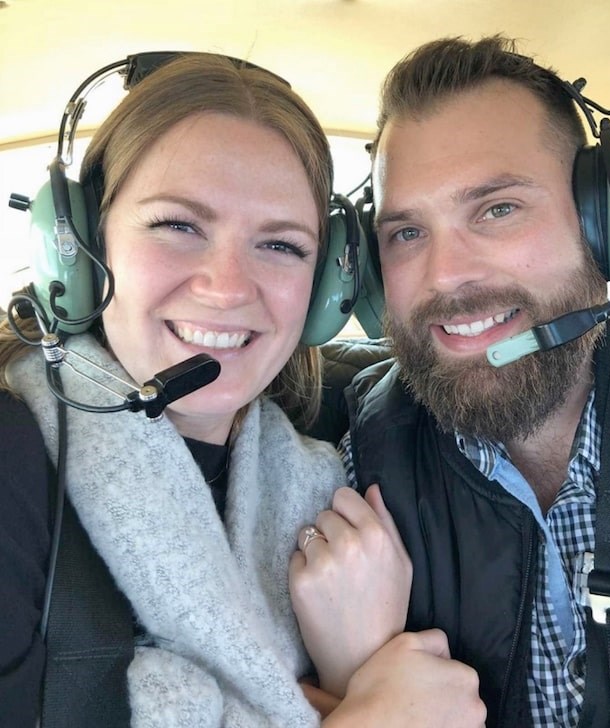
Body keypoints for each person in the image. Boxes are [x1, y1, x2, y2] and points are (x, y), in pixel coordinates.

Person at [0, 52, 486, 727]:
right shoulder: (13, 464)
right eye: (178, 225)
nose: (227, 288)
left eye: (281, 245)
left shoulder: (331, 469)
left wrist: (358, 670)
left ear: (326, 290)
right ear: (81, 244)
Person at [289, 36, 610, 728]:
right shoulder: (354, 461)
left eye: (498, 209)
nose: (446, 275)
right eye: (408, 234)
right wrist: (360, 681)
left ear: (608, 225)